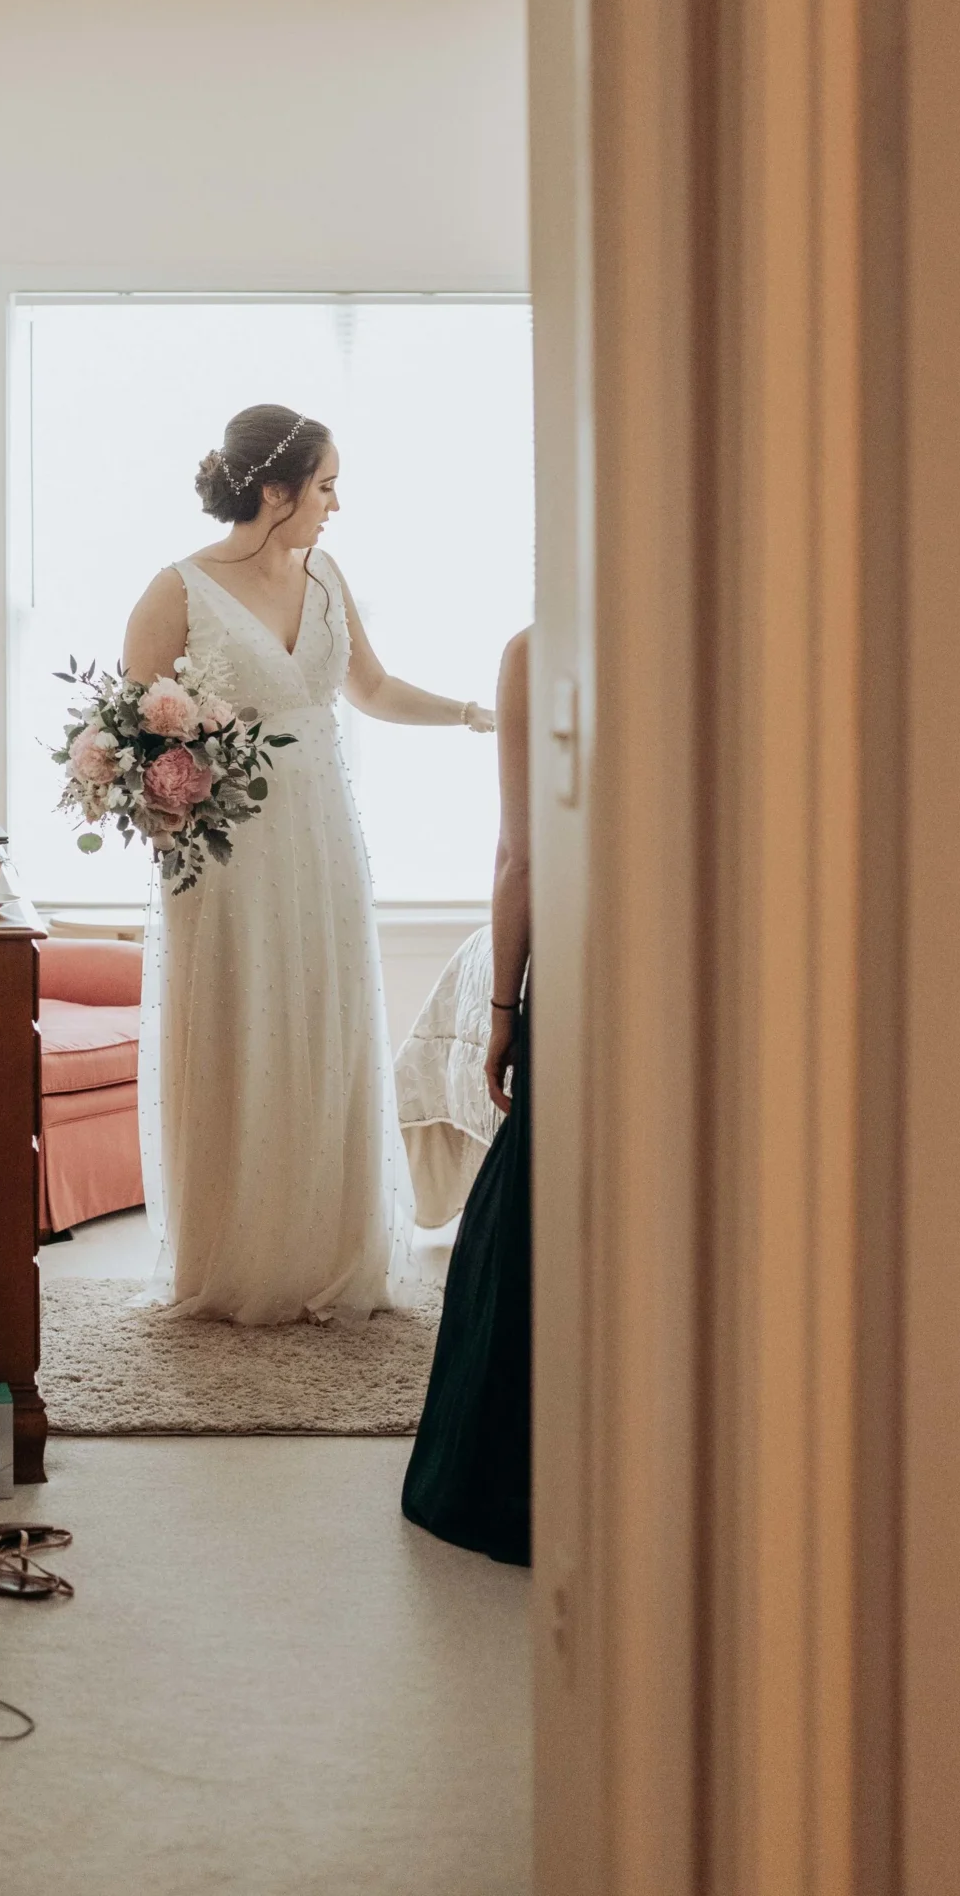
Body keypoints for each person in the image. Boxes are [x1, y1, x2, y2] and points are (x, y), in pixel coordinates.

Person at [122, 404, 494, 1325]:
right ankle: (239, 1257)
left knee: (323, 1021)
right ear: (274, 490)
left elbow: (370, 687)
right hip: (224, 848)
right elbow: (133, 734)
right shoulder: (177, 588)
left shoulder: (326, 574)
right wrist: (167, 819)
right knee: (240, 1029)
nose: (336, 505)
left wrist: (468, 714)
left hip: (322, 833)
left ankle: (327, 1251)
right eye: (325, 487)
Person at [401, 625, 532, 1564]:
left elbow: (519, 854)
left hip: (592, 959)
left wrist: (503, 1009)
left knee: (530, 1217)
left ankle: (509, 1476)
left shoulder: (537, 653)